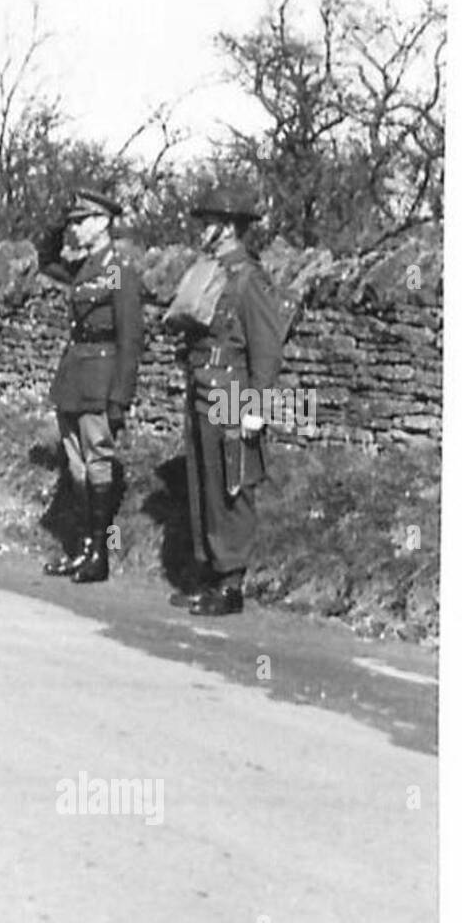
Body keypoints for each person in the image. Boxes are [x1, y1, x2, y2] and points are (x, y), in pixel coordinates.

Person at [164, 187, 283, 617]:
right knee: (204, 486)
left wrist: (255, 405)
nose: (202, 231)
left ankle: (231, 585)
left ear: (229, 228)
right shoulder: (208, 273)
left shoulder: (251, 279)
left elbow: (266, 350)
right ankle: (209, 574)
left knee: (233, 487)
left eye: (209, 223)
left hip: (233, 392)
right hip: (202, 388)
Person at [37, 188, 143, 583]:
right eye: (73, 222)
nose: (75, 229)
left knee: (98, 461)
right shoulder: (82, 266)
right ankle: (81, 549)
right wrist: (57, 223)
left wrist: (120, 397)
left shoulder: (116, 268)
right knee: (76, 466)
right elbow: (45, 260)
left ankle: (99, 552)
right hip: (74, 378)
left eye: (82, 221)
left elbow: (130, 338)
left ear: (103, 223)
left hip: (100, 378)